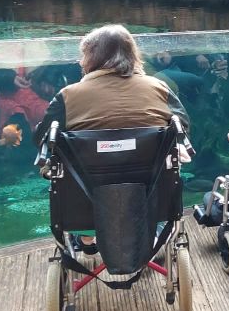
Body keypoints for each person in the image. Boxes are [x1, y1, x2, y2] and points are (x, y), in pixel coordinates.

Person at [35, 24, 190, 253]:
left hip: (86, 204)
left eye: (83, 55)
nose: (80, 61)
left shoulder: (68, 96)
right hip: (150, 196)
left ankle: (87, 237)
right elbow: (182, 128)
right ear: (132, 54)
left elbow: (42, 138)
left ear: (92, 58)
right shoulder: (159, 88)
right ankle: (150, 234)